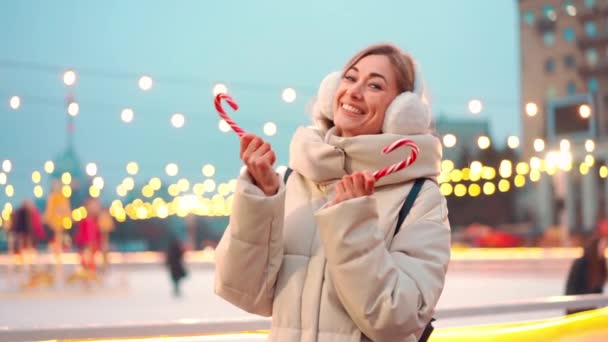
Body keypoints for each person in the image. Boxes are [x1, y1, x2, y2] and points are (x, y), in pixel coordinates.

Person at [214, 43, 451, 341]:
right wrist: (262, 199)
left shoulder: (420, 198)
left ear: (402, 111)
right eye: (350, 78)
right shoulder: (294, 180)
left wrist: (353, 225)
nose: (354, 91)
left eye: (375, 85)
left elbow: (396, 318)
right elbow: (246, 292)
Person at [564, 235, 607, 315]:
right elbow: (571, 288)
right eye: (602, 246)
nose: (603, 249)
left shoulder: (601, 264)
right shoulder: (581, 263)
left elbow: (598, 289)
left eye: (605, 246)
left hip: (591, 309)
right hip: (577, 308)